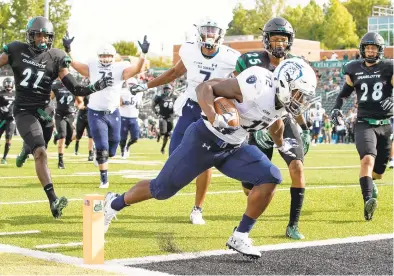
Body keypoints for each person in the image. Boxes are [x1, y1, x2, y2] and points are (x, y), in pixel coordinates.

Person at [103, 57, 316, 258]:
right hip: (203, 139)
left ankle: (240, 235)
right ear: (285, 82)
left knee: (270, 176)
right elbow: (205, 88)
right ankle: (114, 203)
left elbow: (276, 123)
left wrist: (281, 145)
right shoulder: (258, 83)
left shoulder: (281, 102)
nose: (301, 100)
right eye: (299, 93)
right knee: (161, 190)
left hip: (232, 148)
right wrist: (214, 116)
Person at [129, 18, 240, 224]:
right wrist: (146, 86)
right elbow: (173, 73)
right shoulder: (189, 51)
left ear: (220, 34)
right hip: (190, 107)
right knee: (175, 157)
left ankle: (197, 208)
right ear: (199, 33)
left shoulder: (231, 57)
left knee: (205, 161)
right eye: (206, 30)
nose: (209, 35)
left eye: (213, 31)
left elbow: (243, 83)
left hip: (213, 111)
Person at [0, 16, 113, 218]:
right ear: (30, 35)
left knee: (39, 144)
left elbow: (74, 87)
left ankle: (27, 147)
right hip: (24, 111)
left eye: (46, 36)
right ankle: (53, 200)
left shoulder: (55, 57)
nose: (42, 39)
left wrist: (94, 87)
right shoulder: (16, 50)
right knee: (41, 152)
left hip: (46, 112)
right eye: (39, 35)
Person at [230, 17, 312, 239]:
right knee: (250, 186)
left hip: (283, 119)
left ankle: (293, 225)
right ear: (266, 40)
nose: (279, 44)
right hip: (257, 121)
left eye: (283, 40)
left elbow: (296, 100)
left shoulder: (296, 64)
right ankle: (248, 221)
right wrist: (244, 126)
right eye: (275, 39)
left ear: (290, 41)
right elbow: (234, 92)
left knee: (297, 167)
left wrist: (304, 128)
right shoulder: (249, 60)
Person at [63, 34, 150, 188]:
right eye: (103, 56)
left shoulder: (120, 67)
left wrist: (143, 54)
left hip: (114, 112)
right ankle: (104, 179)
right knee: (103, 148)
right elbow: (75, 64)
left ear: (113, 57)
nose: (105, 59)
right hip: (95, 112)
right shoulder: (93, 65)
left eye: (108, 56)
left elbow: (137, 69)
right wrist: (68, 49)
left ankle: (101, 155)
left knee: (113, 148)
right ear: (99, 57)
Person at [331, 32, 393, 221]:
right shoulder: (353, 68)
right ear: (362, 49)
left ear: (380, 50)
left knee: (379, 173)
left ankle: (371, 184)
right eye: (367, 48)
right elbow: (344, 94)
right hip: (364, 123)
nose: (370, 51)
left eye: (374, 48)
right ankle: (367, 201)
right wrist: (336, 108)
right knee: (366, 160)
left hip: (385, 124)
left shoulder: (388, 68)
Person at [50, 79, 77, 169]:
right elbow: (49, 98)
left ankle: (58, 136)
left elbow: (80, 101)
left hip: (70, 114)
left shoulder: (73, 85)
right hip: (59, 114)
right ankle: (60, 161)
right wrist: (49, 109)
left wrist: (76, 108)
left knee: (74, 135)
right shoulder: (56, 85)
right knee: (63, 136)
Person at [119, 78, 143, 158]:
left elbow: (140, 103)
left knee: (135, 138)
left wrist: (140, 105)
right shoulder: (122, 92)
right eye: (131, 84)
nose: (132, 86)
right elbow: (118, 103)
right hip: (123, 117)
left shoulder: (139, 93)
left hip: (134, 117)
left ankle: (127, 146)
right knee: (122, 138)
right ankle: (122, 150)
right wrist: (120, 101)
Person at [152, 84, 177, 154]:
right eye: (166, 89)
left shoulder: (174, 97)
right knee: (163, 132)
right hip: (162, 116)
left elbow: (180, 103)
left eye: (168, 89)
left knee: (167, 134)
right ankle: (159, 134)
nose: (167, 90)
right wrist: (157, 113)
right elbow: (152, 106)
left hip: (170, 117)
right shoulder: (159, 97)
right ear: (163, 90)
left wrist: (176, 113)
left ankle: (162, 148)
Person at [74, 77, 94, 161]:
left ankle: (91, 154)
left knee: (91, 136)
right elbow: (77, 103)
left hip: (91, 115)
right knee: (78, 135)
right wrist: (82, 106)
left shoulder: (95, 92)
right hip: (82, 115)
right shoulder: (83, 92)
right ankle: (76, 145)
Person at [0, 77, 16, 164]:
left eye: (10, 83)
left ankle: (4, 158)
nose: (9, 85)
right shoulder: (1, 93)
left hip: (11, 119)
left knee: (8, 137)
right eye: (7, 83)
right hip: (1, 119)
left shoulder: (16, 94)